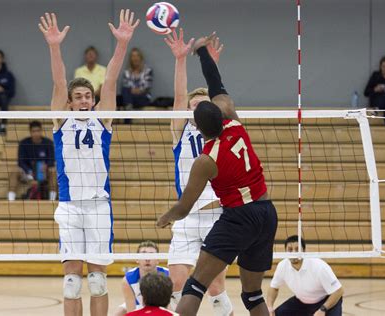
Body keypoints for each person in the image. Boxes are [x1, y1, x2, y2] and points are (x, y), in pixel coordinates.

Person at [157, 32, 278, 316]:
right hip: (266, 212)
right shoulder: (235, 123)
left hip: (238, 218)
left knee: (195, 286)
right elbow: (217, 84)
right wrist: (202, 53)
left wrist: (167, 216)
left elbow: (184, 207)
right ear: (222, 115)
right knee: (252, 295)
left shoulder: (206, 159)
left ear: (198, 129)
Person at [38, 10, 139, 316]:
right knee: (71, 281)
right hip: (69, 206)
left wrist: (122, 44)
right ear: (69, 102)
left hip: (98, 206)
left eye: (87, 96)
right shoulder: (61, 122)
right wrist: (54, 46)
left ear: (93, 101)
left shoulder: (102, 121)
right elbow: (58, 82)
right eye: (77, 96)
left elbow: (109, 83)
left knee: (97, 281)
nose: (83, 100)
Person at [164, 29, 233, 316]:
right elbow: (180, 96)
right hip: (186, 215)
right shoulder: (181, 132)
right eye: (193, 106)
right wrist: (180, 60)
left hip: (215, 213)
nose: (196, 108)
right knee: (176, 283)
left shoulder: (220, 132)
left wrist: (212, 66)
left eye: (202, 105)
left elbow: (222, 99)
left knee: (215, 287)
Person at [266, 236, 344, 316]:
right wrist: (269, 307)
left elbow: (338, 291)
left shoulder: (319, 266)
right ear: (285, 251)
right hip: (301, 302)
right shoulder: (282, 266)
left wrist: (322, 309)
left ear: (304, 251)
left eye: (297, 249)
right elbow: (274, 288)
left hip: (325, 302)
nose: (293, 253)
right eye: (290, 249)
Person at [114, 241, 169, 316]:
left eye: (151, 255)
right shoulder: (128, 279)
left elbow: (169, 307)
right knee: (119, 312)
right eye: (143, 254)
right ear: (137, 259)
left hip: (163, 307)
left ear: (158, 260)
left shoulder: (168, 276)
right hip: (139, 305)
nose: (147, 259)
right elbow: (131, 312)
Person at [7, 121, 56, 201]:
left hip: (43, 172)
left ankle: (52, 200)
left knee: (53, 170)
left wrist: (46, 166)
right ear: (30, 132)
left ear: (41, 131)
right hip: (28, 173)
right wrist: (29, 173)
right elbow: (21, 162)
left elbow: (51, 160)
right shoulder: (24, 143)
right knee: (15, 170)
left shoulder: (48, 143)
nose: (36, 133)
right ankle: (10, 200)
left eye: (38, 131)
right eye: (34, 131)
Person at [364, 56, 385, 126]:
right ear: (380, 67)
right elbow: (366, 92)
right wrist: (375, 89)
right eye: (384, 66)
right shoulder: (376, 76)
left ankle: (377, 109)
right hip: (377, 100)